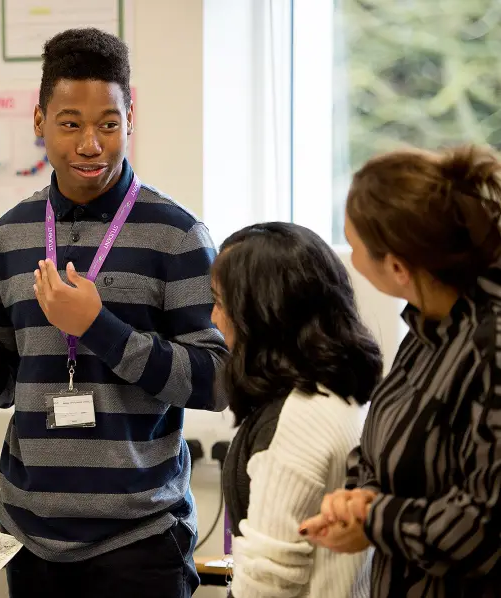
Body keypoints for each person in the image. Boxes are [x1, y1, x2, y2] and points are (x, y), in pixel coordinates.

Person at [0, 27, 228, 598]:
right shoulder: (15, 232)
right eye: (70, 123)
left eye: (108, 123)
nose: (90, 144)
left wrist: (99, 328)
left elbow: (218, 381)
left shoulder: (177, 235)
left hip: (140, 542)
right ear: (39, 121)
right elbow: (4, 381)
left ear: (131, 118)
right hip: (32, 538)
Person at [299, 144, 501, 597]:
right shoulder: (428, 323)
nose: (349, 261)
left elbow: (484, 524)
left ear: (396, 267)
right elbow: (384, 442)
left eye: (353, 247)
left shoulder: (491, 348)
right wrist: (359, 497)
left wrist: (375, 519)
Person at [211, 222, 382, 597]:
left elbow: (266, 581)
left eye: (222, 303)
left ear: (262, 313)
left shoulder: (297, 419)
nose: (214, 318)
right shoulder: (341, 390)